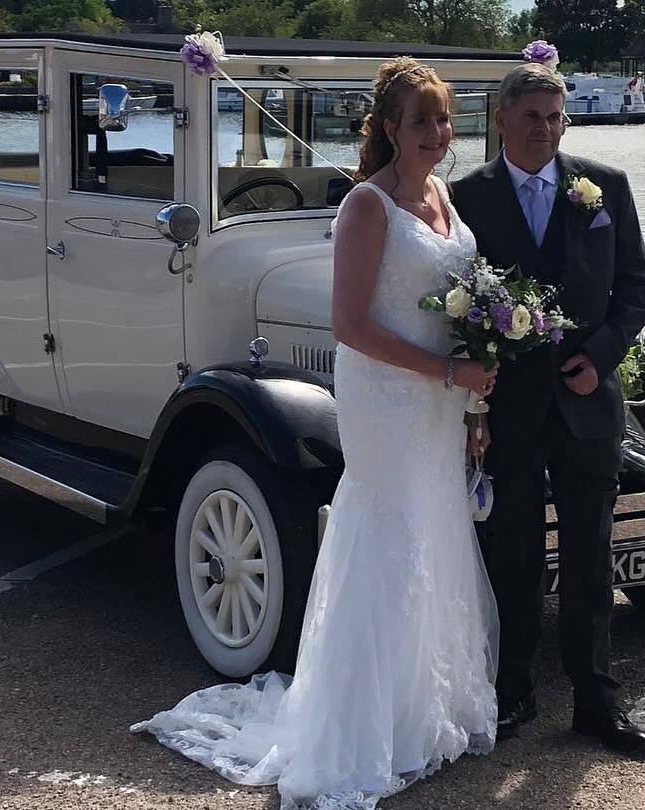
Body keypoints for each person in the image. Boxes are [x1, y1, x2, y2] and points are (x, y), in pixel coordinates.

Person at [133, 58, 500, 809]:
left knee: (434, 534)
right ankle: (366, 726)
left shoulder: (444, 196)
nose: (436, 133)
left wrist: (470, 402)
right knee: (389, 542)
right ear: (389, 128)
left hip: (437, 402)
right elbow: (351, 326)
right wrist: (447, 373)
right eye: (420, 120)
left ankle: (424, 711)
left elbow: (456, 307)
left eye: (443, 119)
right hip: (387, 400)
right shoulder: (367, 206)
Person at [451, 62, 645, 753]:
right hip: (509, 407)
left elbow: (636, 285)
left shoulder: (605, 189)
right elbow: (454, 298)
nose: (544, 129)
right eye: (531, 117)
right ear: (502, 119)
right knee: (511, 555)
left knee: (591, 557)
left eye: (555, 117)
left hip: (588, 407)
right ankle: (512, 693)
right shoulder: (464, 198)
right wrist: (473, 400)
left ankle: (596, 701)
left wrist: (600, 357)